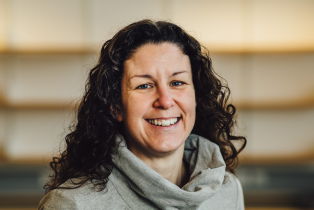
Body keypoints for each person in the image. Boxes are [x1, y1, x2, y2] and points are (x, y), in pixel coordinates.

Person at [39, 19, 246, 210]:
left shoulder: (227, 191)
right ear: (115, 106)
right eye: (144, 85)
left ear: (196, 97)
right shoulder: (72, 204)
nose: (165, 101)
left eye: (177, 83)